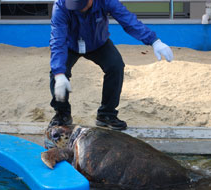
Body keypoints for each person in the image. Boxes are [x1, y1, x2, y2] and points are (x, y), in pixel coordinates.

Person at [49, 0, 173, 130]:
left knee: (116, 66)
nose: (79, 9)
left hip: (98, 43)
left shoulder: (106, 1)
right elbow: (58, 39)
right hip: (70, 44)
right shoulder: (61, 5)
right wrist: (59, 73)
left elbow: (128, 20)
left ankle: (106, 114)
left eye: (82, 5)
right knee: (57, 74)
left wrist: (154, 41)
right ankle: (62, 114)